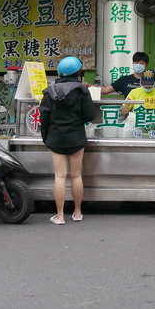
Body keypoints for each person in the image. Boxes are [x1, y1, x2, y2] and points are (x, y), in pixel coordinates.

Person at [39, 56, 97, 225]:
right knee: (76, 175)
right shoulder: (82, 91)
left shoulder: (49, 91)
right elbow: (90, 116)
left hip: (56, 138)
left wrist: (47, 138)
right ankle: (77, 213)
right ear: (78, 72)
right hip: (76, 137)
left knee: (59, 176)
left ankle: (60, 216)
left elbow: (44, 118)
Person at [120, 70, 155, 135]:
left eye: (150, 85)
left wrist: (153, 119)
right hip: (136, 122)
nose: (147, 87)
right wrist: (127, 104)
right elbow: (124, 112)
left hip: (153, 124)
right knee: (124, 130)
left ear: (154, 82)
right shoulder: (134, 92)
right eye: (145, 85)